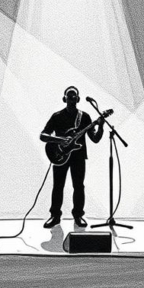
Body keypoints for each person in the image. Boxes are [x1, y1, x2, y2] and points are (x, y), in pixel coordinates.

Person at [40, 86, 104, 228]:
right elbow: (43, 136)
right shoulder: (57, 116)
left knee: (79, 186)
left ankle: (78, 215)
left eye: (74, 96)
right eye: (69, 96)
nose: (72, 98)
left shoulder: (85, 117)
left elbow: (95, 139)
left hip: (78, 157)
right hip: (59, 155)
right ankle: (55, 216)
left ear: (78, 99)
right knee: (58, 186)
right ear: (64, 99)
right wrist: (61, 140)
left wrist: (101, 126)